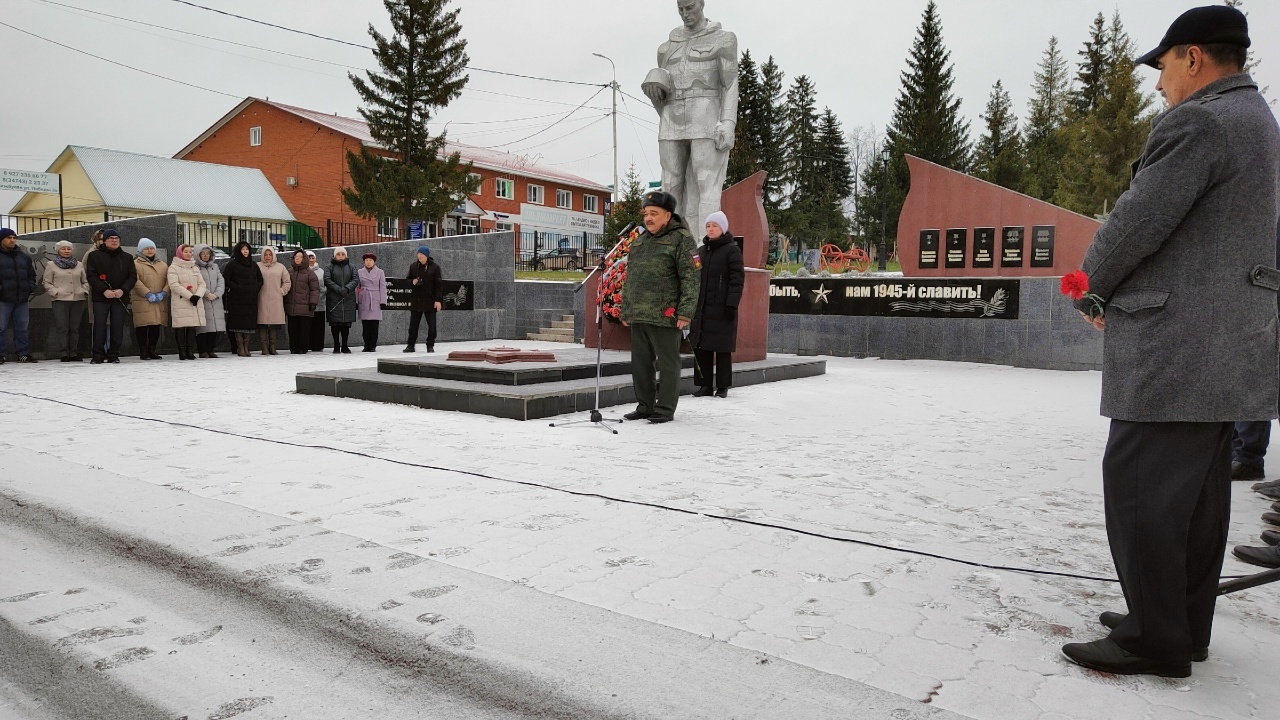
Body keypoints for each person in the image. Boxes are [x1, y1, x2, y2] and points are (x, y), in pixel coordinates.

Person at [1060, 5, 1279, 679]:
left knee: (1139, 486)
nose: (1159, 84)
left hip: (1177, 343)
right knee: (1197, 501)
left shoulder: (1201, 121)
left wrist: (1087, 287)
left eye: (1163, 67)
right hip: (1226, 343)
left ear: (1193, 57)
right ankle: (1179, 625)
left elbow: (1138, 219)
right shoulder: (1259, 122)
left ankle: (1153, 639)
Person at [642, 0, 738, 230]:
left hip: (705, 111)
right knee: (670, 182)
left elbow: (731, 81)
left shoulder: (722, 39)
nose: (685, 14)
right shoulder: (666, 47)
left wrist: (727, 121)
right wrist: (654, 90)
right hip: (671, 115)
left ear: (701, 4)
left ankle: (706, 245)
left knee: (706, 181)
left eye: (690, 7)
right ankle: (668, 246)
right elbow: (663, 89)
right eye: (681, 9)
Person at [620, 191, 700, 424]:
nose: (649, 218)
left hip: (667, 315)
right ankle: (645, 405)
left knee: (668, 364)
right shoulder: (640, 241)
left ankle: (665, 408)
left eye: (654, 214)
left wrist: (685, 312)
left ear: (668, 215)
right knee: (640, 364)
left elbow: (691, 278)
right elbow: (631, 279)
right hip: (640, 315)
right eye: (646, 214)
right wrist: (627, 310)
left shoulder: (681, 239)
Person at [689, 211, 744, 398]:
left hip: (722, 307)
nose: (711, 229)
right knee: (701, 347)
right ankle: (704, 385)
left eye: (715, 226)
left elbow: (737, 280)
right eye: (708, 226)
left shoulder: (732, 250)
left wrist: (731, 305)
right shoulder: (700, 251)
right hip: (702, 307)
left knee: (722, 349)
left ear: (723, 228)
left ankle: (722, 386)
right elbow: (694, 278)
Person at [85, 229, 135, 363]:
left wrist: (123, 290)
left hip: (120, 297)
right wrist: (104, 290)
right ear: (105, 240)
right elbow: (91, 275)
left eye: (116, 238)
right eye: (111, 238)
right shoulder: (95, 256)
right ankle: (98, 355)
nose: (114, 240)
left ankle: (114, 354)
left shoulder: (127, 257)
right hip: (101, 297)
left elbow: (132, 277)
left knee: (117, 326)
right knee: (100, 326)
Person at [42, 239, 90, 362]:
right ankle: (64, 353)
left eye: (69, 249)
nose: (66, 251)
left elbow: (85, 281)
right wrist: (55, 292)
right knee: (63, 327)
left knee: (74, 327)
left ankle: (73, 353)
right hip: (60, 300)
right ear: (58, 251)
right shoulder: (51, 264)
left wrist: (84, 290)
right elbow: (47, 282)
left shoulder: (78, 264)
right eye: (63, 248)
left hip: (78, 299)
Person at [0, 228, 39, 364]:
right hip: (2, 299)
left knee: (22, 328)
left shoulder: (24, 257)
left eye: (14, 237)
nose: (12, 240)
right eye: (8, 237)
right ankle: (1, 354)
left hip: (21, 299)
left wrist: (30, 287)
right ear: (1, 239)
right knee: (1, 328)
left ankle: (23, 353)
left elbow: (31, 275)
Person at [129, 238, 170, 361]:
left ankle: (152, 351)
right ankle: (143, 351)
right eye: (146, 248)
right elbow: (135, 281)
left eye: (152, 248)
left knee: (155, 326)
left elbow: (169, 281)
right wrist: (147, 294)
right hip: (142, 300)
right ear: (141, 250)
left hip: (159, 300)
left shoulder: (163, 265)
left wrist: (164, 292)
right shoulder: (135, 264)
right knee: (142, 327)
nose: (150, 250)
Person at [222, 241, 262, 357]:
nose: (245, 251)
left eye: (247, 249)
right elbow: (227, 279)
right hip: (237, 299)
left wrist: (255, 288)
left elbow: (260, 279)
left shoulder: (253, 264)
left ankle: (246, 346)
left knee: (248, 323)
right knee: (237, 323)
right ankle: (240, 346)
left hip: (250, 299)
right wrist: (237, 287)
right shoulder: (232, 264)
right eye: (243, 249)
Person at [167, 243, 206, 361]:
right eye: (186, 252)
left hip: (195, 301)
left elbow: (202, 284)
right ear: (180, 253)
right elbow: (174, 285)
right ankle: (182, 352)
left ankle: (190, 351)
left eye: (190, 252)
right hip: (182, 301)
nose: (188, 254)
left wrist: (197, 295)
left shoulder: (194, 267)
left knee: (191, 327)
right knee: (180, 327)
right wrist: (190, 296)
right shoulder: (173, 267)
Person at [404, 246, 443, 353]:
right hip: (416, 300)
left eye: (422, 254)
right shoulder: (413, 266)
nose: (419, 256)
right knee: (413, 326)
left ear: (427, 256)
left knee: (432, 326)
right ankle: (410, 345)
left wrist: (438, 300)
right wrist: (412, 282)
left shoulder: (435, 267)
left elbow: (439, 285)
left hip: (430, 301)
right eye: (418, 254)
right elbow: (407, 281)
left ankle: (430, 345)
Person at [284, 249, 320, 354]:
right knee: (292, 328)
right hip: (292, 306)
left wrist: (313, 302)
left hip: (305, 307)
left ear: (304, 259)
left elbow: (315, 289)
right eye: (296, 257)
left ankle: (303, 348)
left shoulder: (310, 273)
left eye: (300, 257)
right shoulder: (289, 271)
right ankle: (293, 348)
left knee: (304, 329)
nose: (297, 259)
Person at [256, 246, 290, 355]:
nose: (268, 257)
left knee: (274, 324)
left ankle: (272, 346)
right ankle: (264, 347)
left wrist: (281, 291)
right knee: (262, 323)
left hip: (276, 299)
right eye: (265, 255)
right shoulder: (257, 266)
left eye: (270, 254)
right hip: (261, 298)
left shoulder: (280, 267)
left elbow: (287, 281)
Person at [193, 245, 226, 358]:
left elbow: (221, 281)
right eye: (203, 253)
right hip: (203, 299)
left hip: (215, 300)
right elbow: (197, 282)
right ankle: (202, 350)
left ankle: (211, 349)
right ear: (198, 255)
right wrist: (207, 293)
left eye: (208, 253)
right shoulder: (195, 267)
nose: (206, 255)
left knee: (214, 327)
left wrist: (217, 294)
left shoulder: (215, 267)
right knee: (203, 327)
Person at [325, 247, 358, 354]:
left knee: (345, 324)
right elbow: (327, 279)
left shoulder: (352, 267)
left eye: (342, 254)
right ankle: (336, 345)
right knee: (335, 323)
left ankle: (345, 345)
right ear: (334, 255)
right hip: (334, 298)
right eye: (338, 254)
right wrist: (338, 289)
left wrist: (347, 288)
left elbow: (355, 279)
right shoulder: (329, 267)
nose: (340, 256)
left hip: (347, 298)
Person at [357, 252, 387, 352]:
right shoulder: (360, 272)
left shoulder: (380, 272)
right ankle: (366, 344)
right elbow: (357, 287)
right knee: (365, 325)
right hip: (364, 298)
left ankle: (373, 345)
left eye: (370, 260)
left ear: (374, 261)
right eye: (366, 260)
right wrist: (358, 300)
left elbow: (383, 287)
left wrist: (383, 301)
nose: (368, 262)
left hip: (375, 299)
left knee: (374, 324)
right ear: (364, 262)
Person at [306, 250, 327, 351]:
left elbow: (324, 286)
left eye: (312, 258)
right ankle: (308, 344)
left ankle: (318, 345)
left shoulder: (321, 271)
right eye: (309, 258)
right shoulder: (303, 270)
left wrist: (321, 294)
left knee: (318, 326)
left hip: (320, 301)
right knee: (308, 325)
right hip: (306, 303)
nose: (311, 260)